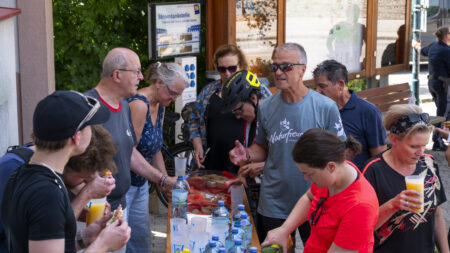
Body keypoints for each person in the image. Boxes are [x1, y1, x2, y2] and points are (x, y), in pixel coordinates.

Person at [229, 42, 346, 245]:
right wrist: (247, 154)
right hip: (275, 201)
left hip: (316, 199)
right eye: (275, 67)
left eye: (286, 67)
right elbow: (264, 148)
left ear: (302, 70)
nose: (279, 72)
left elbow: (340, 156)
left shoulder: (325, 107)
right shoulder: (265, 107)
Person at [0, 90, 130, 253]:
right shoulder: (47, 193)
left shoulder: (20, 175)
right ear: (76, 137)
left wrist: (84, 239)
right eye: (89, 126)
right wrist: (103, 245)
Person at [85, 47, 177, 252]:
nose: (142, 77)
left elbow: (130, 154)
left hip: (120, 205)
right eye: (136, 72)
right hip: (96, 211)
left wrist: (162, 179)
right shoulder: (88, 108)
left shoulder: (124, 107)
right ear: (117, 74)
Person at [262, 129, 378, 253]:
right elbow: (309, 197)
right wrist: (284, 230)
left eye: (309, 174)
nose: (306, 178)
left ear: (331, 166)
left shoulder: (360, 207)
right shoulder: (333, 175)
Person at [363, 104, 449, 253]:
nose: (420, 153)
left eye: (424, 145)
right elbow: (361, 227)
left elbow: (437, 214)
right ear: (394, 139)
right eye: (414, 146)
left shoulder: (429, 163)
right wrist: (392, 205)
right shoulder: (373, 170)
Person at [126, 62, 187, 253]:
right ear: (159, 82)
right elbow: (130, 153)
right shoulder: (138, 104)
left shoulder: (160, 104)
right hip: (123, 185)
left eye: (178, 95)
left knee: (141, 242)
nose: (174, 98)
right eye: (173, 93)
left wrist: (164, 181)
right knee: (120, 242)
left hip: (140, 183)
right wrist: (162, 178)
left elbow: (155, 148)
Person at [189, 44, 270, 173]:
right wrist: (198, 144)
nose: (227, 73)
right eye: (222, 69)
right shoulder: (208, 92)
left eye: (232, 68)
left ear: (241, 66)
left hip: (244, 162)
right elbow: (194, 119)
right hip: (213, 160)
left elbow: (272, 123)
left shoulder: (258, 91)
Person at [313, 59, 387, 169]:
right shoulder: (318, 110)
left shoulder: (368, 111)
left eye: (322, 86)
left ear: (341, 85)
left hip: (357, 180)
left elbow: (378, 157)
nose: (317, 92)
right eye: (316, 87)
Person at [221, 69, 269, 220]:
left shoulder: (272, 116)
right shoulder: (249, 120)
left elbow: (289, 158)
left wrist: (263, 166)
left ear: (254, 98)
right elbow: (253, 153)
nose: (238, 116)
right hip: (257, 191)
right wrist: (242, 169)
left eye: (239, 110)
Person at [415, 26, 450, 151]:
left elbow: (422, 50)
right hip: (443, 86)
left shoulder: (433, 46)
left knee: (446, 113)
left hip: (433, 84)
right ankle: (437, 142)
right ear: (447, 36)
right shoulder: (446, 51)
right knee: (443, 114)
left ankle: (445, 137)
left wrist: (416, 46)